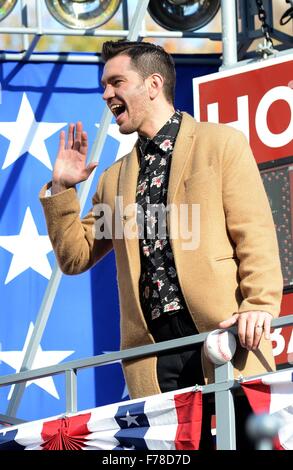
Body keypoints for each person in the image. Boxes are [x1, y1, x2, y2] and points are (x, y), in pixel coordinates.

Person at [39, 40, 283, 449]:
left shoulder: (220, 144)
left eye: (117, 82)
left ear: (153, 84)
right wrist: (63, 189)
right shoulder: (114, 178)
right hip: (154, 359)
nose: (106, 95)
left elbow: (254, 233)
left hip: (226, 339)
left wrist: (259, 304)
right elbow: (75, 255)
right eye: (104, 85)